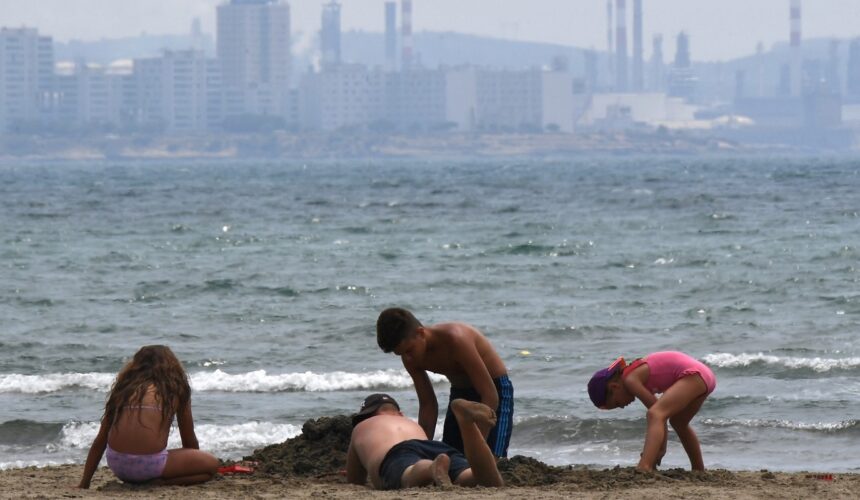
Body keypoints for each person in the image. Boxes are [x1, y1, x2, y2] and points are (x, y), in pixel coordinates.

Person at [376, 307, 513, 457]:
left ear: (421, 333)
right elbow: (428, 404)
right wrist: (420, 450)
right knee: (454, 457)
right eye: (400, 354)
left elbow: (490, 395)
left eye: (409, 351)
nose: (407, 358)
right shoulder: (410, 356)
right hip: (460, 397)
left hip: (494, 390)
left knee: (491, 457)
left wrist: (477, 445)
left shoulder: (455, 340)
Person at [78, 345, 218, 488]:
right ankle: (163, 482)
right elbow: (189, 440)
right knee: (212, 466)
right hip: (150, 467)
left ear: (135, 366)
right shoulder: (175, 390)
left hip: (118, 465)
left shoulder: (123, 389)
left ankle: (147, 479)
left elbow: (100, 439)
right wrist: (193, 461)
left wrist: (85, 481)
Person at [587, 351, 717, 472]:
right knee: (679, 423)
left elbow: (657, 414)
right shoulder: (634, 375)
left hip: (694, 375)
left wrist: (660, 450)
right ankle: (698, 469)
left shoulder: (630, 380)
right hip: (704, 376)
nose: (622, 407)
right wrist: (660, 448)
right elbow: (661, 416)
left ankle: (645, 466)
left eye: (617, 403)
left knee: (655, 414)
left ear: (614, 387)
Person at [345, 393, 504, 490]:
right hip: (436, 446)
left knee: (409, 474)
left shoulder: (362, 427)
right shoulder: (410, 423)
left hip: (397, 453)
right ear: (400, 414)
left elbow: (355, 480)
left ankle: (430, 468)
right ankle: (467, 424)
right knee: (483, 481)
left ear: (368, 416)